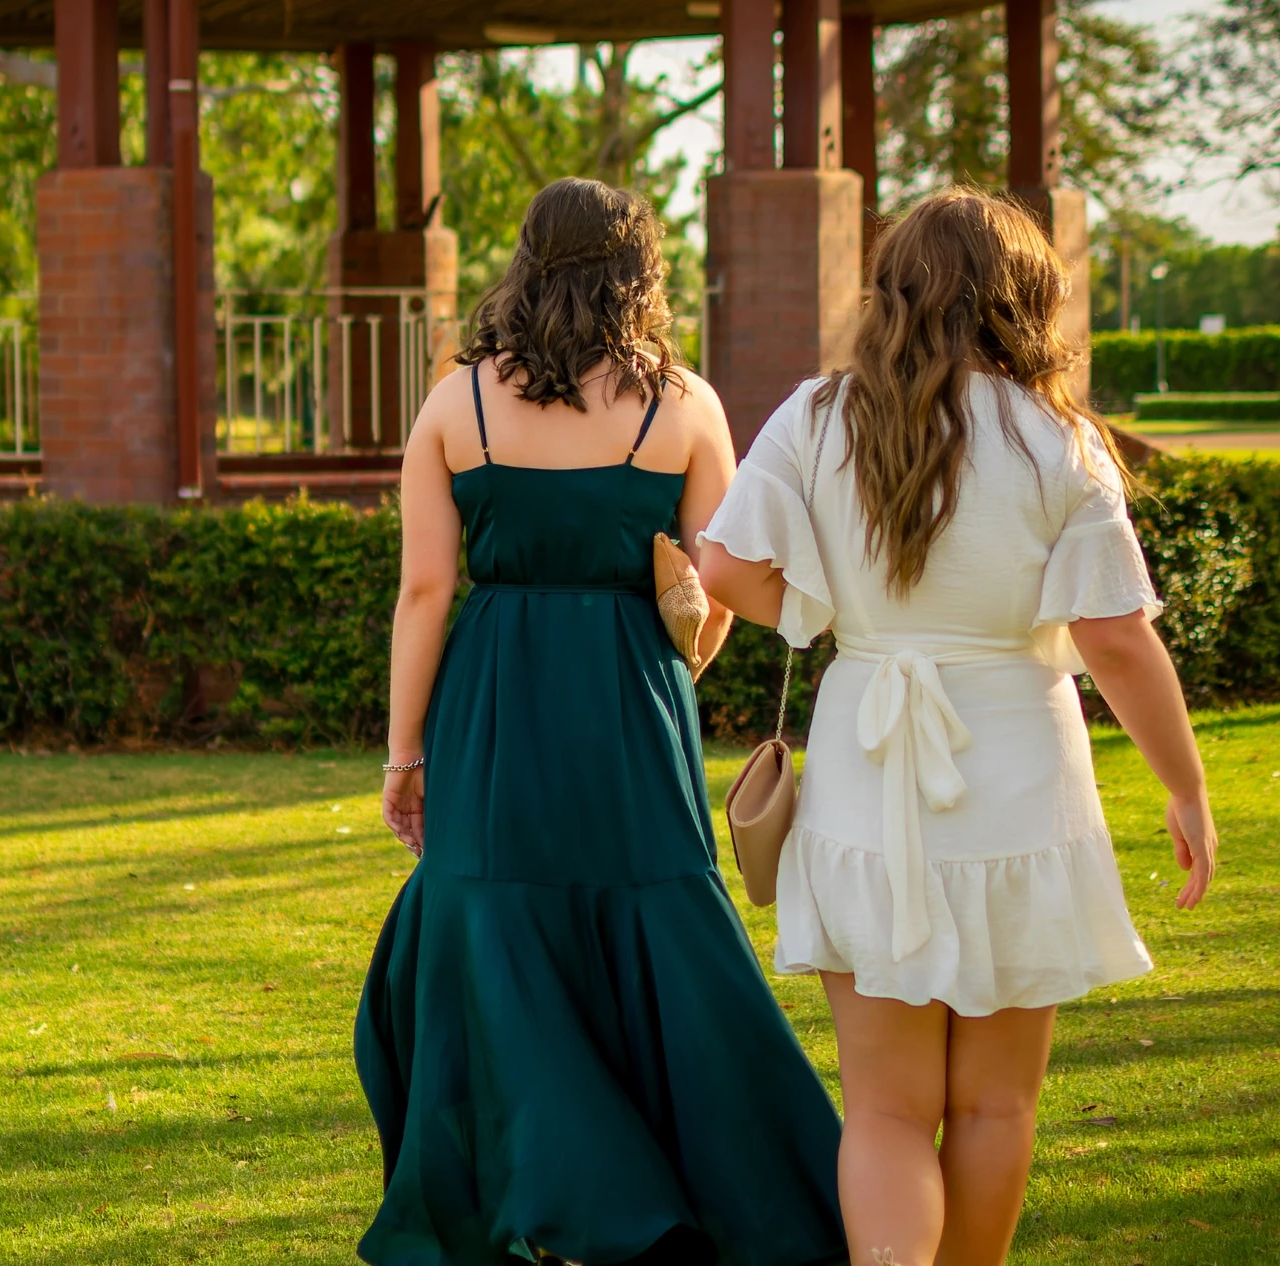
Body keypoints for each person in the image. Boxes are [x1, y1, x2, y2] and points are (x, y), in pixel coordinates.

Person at [698, 188, 1220, 1266]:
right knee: (994, 1108)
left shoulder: (814, 415)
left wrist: (826, 613)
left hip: (862, 757)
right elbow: (1115, 640)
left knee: (885, 1110)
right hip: (1018, 774)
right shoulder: (1057, 442)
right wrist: (1185, 786)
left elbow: (724, 572)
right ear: (1022, 299)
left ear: (892, 292)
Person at [355, 177, 849, 1266]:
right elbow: (714, 587)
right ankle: (734, 1193)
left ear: (526, 261)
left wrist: (404, 752)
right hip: (632, 693)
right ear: (640, 270)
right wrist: (671, 664)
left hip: (491, 697)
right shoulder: (684, 404)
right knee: (661, 923)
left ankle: (550, 1196)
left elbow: (425, 594)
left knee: (495, 927)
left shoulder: (456, 401)